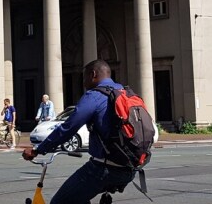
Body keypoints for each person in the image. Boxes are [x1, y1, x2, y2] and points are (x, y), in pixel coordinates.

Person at [22, 60, 136, 204]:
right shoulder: (126, 92)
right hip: (130, 168)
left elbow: (69, 127)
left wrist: (38, 149)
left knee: (60, 201)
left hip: (104, 168)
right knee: (80, 197)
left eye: (84, 77)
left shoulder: (94, 96)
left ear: (93, 75)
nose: (83, 83)